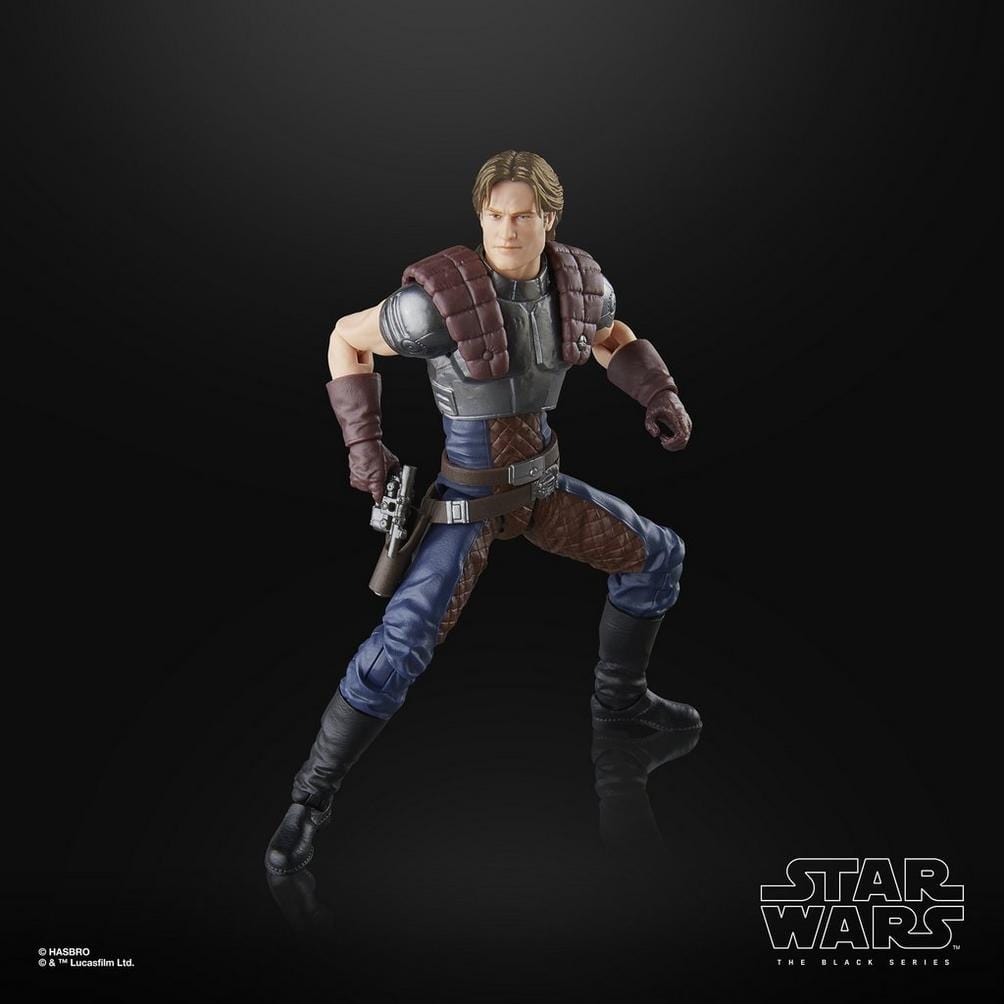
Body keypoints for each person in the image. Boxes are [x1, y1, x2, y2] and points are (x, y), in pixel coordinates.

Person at [265, 150, 701, 876]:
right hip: (467, 502)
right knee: (399, 647)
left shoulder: (579, 284)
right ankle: (308, 801)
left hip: (543, 492)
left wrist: (660, 393)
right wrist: (363, 445)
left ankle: (620, 706)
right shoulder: (437, 301)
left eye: (522, 216)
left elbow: (609, 336)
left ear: (549, 219)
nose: (505, 230)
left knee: (658, 557)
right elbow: (346, 337)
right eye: (494, 215)